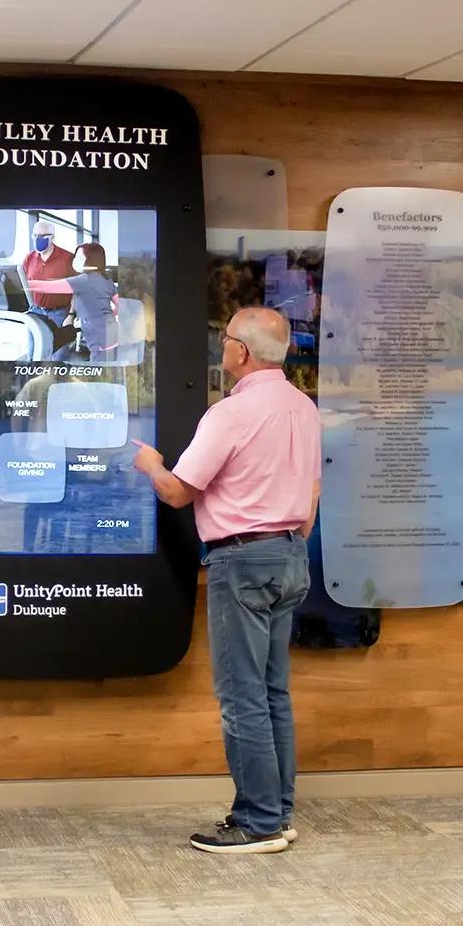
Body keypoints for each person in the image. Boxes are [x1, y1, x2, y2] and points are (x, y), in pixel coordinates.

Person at [131, 306, 321, 855]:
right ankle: (277, 813)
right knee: (272, 692)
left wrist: (149, 464)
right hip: (291, 555)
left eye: (226, 339)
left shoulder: (230, 414)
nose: (221, 346)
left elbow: (178, 492)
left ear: (242, 351)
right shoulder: (304, 408)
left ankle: (257, 823)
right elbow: (311, 495)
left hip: (241, 562)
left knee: (242, 697)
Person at [24, 242, 118, 363]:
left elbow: (47, 287)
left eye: (80, 258)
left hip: (99, 339)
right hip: (112, 332)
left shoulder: (83, 280)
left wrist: (27, 281)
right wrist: (105, 316)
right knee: (110, 366)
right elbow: (120, 305)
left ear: (91, 260)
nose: (75, 260)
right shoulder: (106, 280)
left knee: (99, 369)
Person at [20, 219, 76, 330]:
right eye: (35, 235)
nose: (37, 239)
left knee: (57, 341)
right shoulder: (29, 258)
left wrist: (71, 315)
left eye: (42, 236)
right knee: (33, 341)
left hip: (59, 313)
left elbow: (77, 289)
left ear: (52, 238)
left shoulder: (68, 258)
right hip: (36, 312)